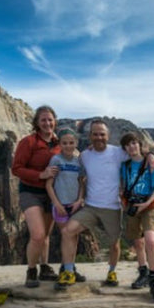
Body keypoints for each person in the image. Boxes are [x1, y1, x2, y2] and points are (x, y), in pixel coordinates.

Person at [54, 119, 128, 291]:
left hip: (112, 207)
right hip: (90, 207)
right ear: (90, 136)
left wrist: (152, 156)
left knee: (114, 242)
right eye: (95, 134)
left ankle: (112, 271)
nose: (99, 137)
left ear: (108, 136)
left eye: (102, 134)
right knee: (67, 231)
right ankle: (69, 271)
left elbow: (138, 155)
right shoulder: (84, 156)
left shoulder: (118, 153)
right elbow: (78, 176)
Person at [11, 105, 60, 288]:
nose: (47, 123)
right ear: (37, 123)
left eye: (50, 119)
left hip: (51, 194)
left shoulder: (58, 143)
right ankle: (31, 270)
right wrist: (41, 175)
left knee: (46, 235)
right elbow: (16, 168)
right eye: (43, 120)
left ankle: (44, 267)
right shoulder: (28, 142)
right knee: (38, 235)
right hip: (30, 192)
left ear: (55, 121)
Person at [120, 132, 154, 303]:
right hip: (132, 207)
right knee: (138, 243)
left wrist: (147, 203)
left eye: (134, 143)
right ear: (125, 149)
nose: (132, 147)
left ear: (139, 144)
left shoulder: (150, 163)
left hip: (148, 207)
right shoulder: (124, 166)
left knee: (150, 241)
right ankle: (143, 273)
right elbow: (123, 186)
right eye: (128, 145)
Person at [44, 128, 86, 282]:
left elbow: (81, 184)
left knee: (73, 236)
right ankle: (67, 268)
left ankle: (69, 267)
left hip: (75, 206)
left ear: (76, 143)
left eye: (71, 143)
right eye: (65, 143)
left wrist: (79, 200)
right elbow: (49, 184)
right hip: (60, 206)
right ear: (59, 144)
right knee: (66, 235)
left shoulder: (78, 162)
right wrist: (56, 203)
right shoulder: (56, 160)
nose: (68, 146)